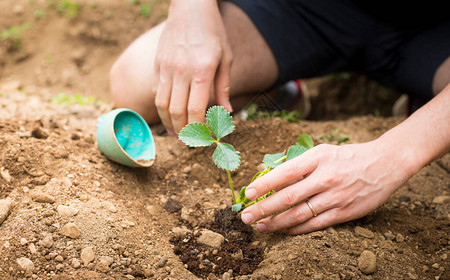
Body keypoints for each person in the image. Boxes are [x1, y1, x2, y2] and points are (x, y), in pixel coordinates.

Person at [110, 0, 450, 235]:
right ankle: (276, 92)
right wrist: (191, 10)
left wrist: (396, 154)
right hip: (309, 10)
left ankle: (427, 104)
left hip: (434, 28)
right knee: (137, 79)